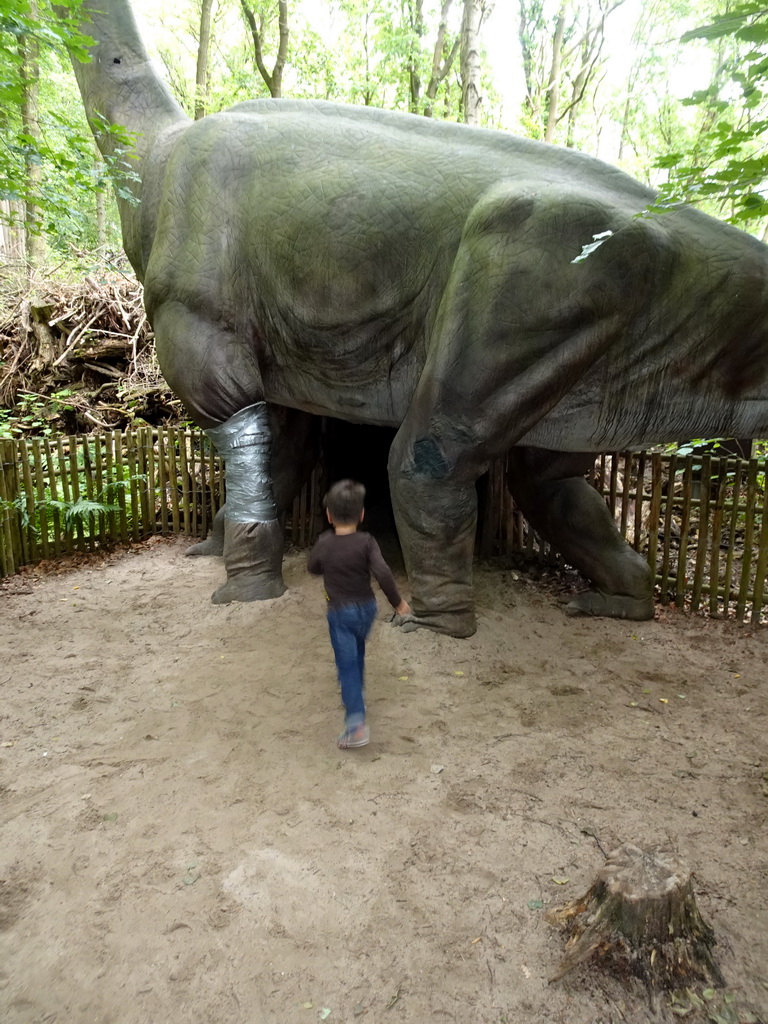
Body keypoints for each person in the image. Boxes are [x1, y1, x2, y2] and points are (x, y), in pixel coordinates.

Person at [308, 479, 411, 749]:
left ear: (328, 515)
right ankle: (358, 694)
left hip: (340, 613)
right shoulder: (367, 541)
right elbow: (383, 572)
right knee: (357, 651)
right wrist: (398, 603)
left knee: (347, 666)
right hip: (367, 610)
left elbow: (313, 567)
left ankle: (356, 727)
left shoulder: (325, 542)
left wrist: (327, 561)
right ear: (362, 515)